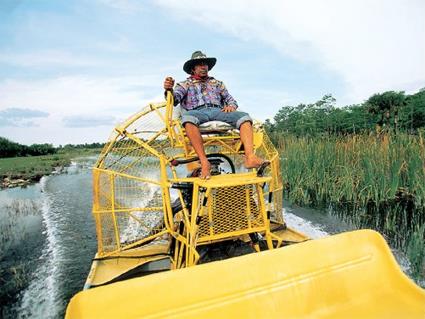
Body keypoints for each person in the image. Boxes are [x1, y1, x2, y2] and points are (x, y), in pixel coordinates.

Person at [164, 51, 267, 179]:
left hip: (218, 111)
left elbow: (231, 100)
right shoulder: (185, 84)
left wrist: (231, 106)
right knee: (188, 119)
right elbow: (174, 99)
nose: (204, 67)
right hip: (197, 112)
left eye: (205, 64)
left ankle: (250, 157)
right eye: (200, 65)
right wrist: (169, 90)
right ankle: (204, 162)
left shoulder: (217, 84)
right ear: (193, 69)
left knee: (244, 117)